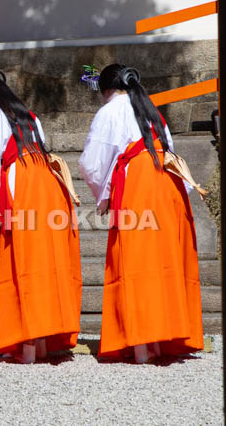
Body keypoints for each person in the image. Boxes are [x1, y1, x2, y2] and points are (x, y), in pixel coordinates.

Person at [79, 64, 204, 363]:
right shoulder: (150, 110)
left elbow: (92, 163)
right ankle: (165, 336)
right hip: (166, 181)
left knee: (136, 260)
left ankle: (140, 343)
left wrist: (104, 195)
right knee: (164, 259)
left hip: (137, 183)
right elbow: (170, 148)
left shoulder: (109, 112)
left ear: (106, 89)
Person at [0, 70, 82, 363]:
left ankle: (27, 344)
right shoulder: (30, 116)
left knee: (24, 260)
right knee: (45, 261)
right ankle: (42, 339)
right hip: (47, 183)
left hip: (23, 184)